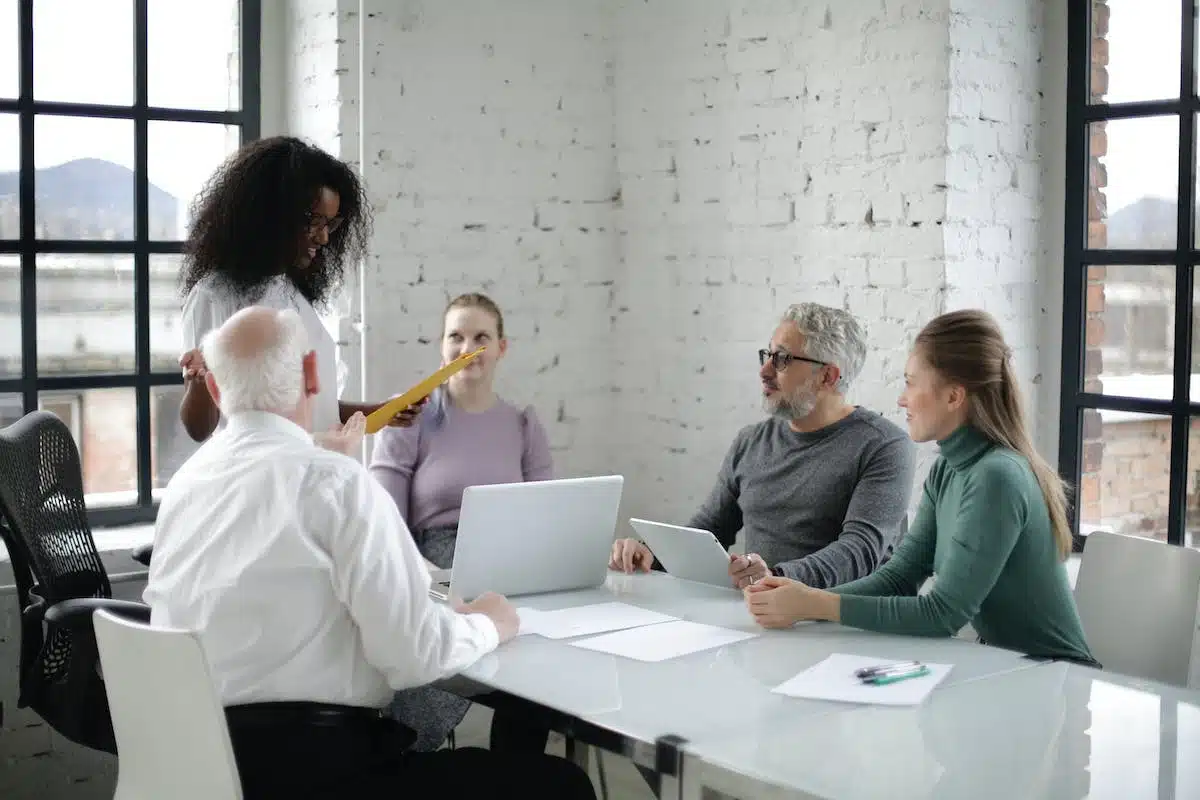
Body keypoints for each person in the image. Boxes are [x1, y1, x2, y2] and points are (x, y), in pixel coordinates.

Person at [144, 306, 596, 799]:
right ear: (313, 375)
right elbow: (414, 656)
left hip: (202, 773)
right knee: (561, 786)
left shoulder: (186, 486)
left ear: (214, 390)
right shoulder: (336, 483)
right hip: (325, 776)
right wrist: (493, 623)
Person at [743, 310, 1098, 668]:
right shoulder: (947, 468)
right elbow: (900, 577)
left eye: (911, 383)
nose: (902, 399)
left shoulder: (997, 476)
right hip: (1006, 670)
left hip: (1059, 677)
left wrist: (812, 604)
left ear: (954, 397)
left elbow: (942, 614)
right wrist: (803, 599)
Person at [610, 302, 915, 590]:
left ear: (828, 376)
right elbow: (711, 530)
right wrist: (652, 554)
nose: (764, 370)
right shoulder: (751, 441)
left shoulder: (883, 446)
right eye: (767, 355)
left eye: (782, 359)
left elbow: (860, 551)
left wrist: (776, 577)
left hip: (844, 627)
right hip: (764, 616)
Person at [369, 292, 552, 752]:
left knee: (540, 648)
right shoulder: (410, 414)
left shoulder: (523, 424)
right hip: (434, 564)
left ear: (501, 348)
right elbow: (385, 523)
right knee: (445, 634)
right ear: (442, 345)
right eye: (456, 336)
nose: (467, 346)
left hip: (510, 567)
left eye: (481, 337)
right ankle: (407, 750)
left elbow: (547, 517)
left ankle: (517, 770)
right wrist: (431, 581)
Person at [176, 135, 422, 455]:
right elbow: (198, 428)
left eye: (330, 224)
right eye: (313, 221)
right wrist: (198, 381)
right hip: (266, 483)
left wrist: (383, 411)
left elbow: (312, 409)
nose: (322, 237)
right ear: (269, 213)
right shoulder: (214, 296)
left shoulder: (290, 291)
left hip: (313, 476)